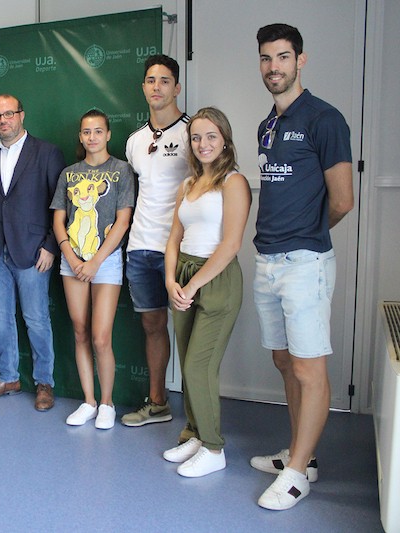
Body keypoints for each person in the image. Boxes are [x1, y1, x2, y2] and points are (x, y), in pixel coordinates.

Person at [250, 23, 353, 511]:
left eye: (283, 57)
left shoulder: (325, 119)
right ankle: (300, 455)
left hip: (304, 260)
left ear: (300, 61)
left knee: (310, 367)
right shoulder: (266, 124)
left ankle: (296, 476)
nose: (274, 67)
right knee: (284, 361)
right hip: (267, 259)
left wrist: (307, 237)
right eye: (267, 58)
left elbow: (343, 201)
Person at [161, 107, 251, 477]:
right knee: (186, 364)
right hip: (183, 274)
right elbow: (173, 239)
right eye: (196, 137)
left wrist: (194, 284)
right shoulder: (188, 185)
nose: (203, 144)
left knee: (200, 365)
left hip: (216, 279)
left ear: (225, 139)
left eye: (211, 136)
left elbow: (231, 244)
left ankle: (214, 449)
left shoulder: (234, 182)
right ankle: (196, 435)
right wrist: (171, 281)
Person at [0, 94, 65, 411]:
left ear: (21, 115)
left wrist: (51, 245)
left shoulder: (47, 152)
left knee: (36, 320)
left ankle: (44, 383)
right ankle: (8, 377)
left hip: (33, 252)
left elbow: (61, 204)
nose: (3, 120)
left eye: (8, 114)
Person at [121, 54, 191, 436]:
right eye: (151, 80)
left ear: (177, 87)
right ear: (144, 87)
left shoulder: (195, 132)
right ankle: (158, 403)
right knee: (152, 325)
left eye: (165, 80)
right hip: (141, 247)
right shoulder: (135, 141)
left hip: (182, 250)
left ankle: (199, 420)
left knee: (192, 333)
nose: (157, 87)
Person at [51, 109, 134, 429]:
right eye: (86, 132)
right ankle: (88, 401)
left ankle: (107, 403)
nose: (92, 137)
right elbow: (59, 219)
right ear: (80, 136)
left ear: (108, 134)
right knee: (80, 330)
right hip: (71, 260)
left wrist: (96, 261)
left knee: (101, 337)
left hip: (107, 261)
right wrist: (71, 258)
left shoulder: (122, 171)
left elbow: (123, 220)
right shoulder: (69, 174)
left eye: (98, 131)